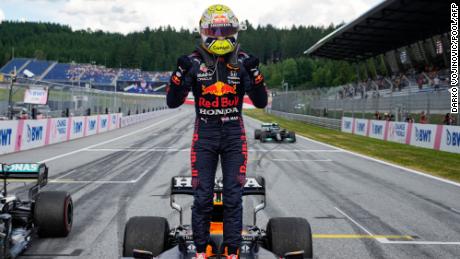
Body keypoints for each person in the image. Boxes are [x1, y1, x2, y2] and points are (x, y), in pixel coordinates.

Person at [166, 4, 267, 259]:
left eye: (226, 30)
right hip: (205, 136)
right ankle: (201, 251)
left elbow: (261, 102)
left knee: (234, 196)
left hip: (235, 135)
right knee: (202, 197)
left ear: (235, 31)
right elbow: (172, 101)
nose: (221, 36)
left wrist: (255, 76)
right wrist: (178, 76)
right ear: (203, 32)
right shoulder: (192, 62)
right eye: (215, 30)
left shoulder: (245, 62)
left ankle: (232, 252)